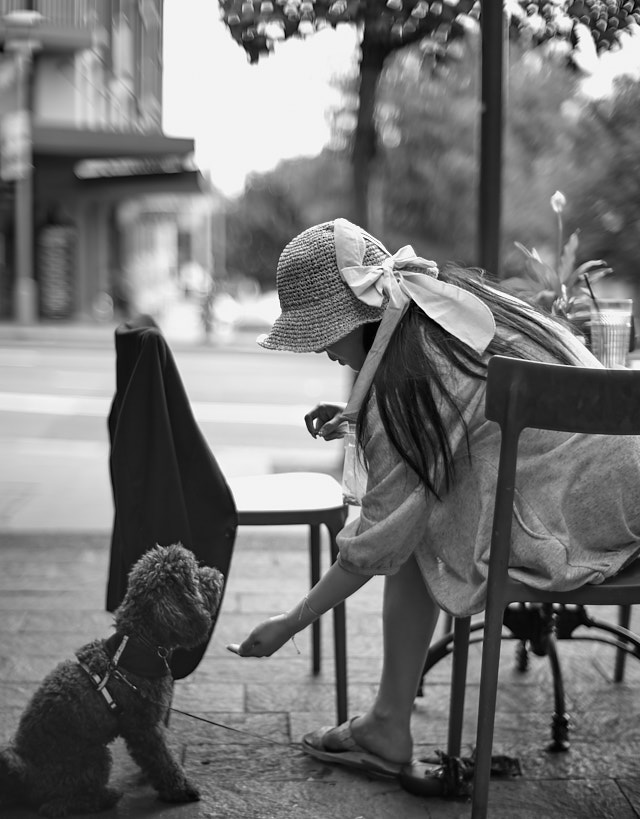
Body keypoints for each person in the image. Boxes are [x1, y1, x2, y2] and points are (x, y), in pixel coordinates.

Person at [227, 218, 640, 779]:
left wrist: (290, 622)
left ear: (362, 316)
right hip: (619, 489)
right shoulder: (439, 299)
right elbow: (466, 415)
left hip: (585, 524)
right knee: (423, 500)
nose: (323, 352)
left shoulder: (410, 380)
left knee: (413, 520)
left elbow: (375, 542)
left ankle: (388, 720)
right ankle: (387, 720)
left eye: (323, 334)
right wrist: (358, 422)